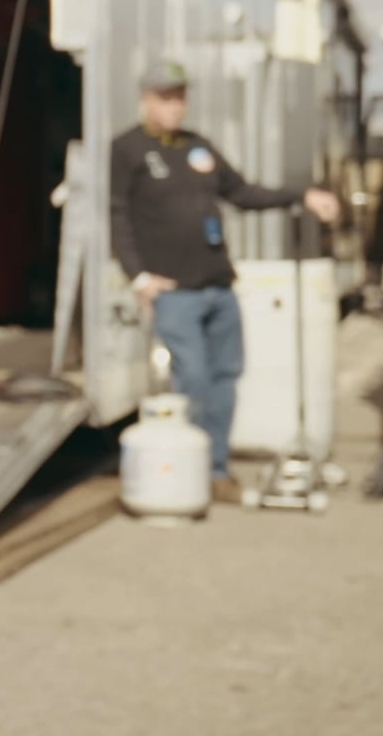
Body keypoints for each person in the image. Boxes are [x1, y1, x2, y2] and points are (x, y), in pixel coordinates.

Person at [109, 60, 340, 503]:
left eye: (180, 96)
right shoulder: (129, 149)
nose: (175, 106)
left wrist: (302, 195)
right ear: (146, 100)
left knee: (224, 378)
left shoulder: (199, 148)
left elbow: (243, 193)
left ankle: (217, 471)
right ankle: (187, 472)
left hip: (218, 284)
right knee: (192, 377)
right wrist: (138, 277)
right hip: (174, 290)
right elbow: (117, 216)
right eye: (165, 97)